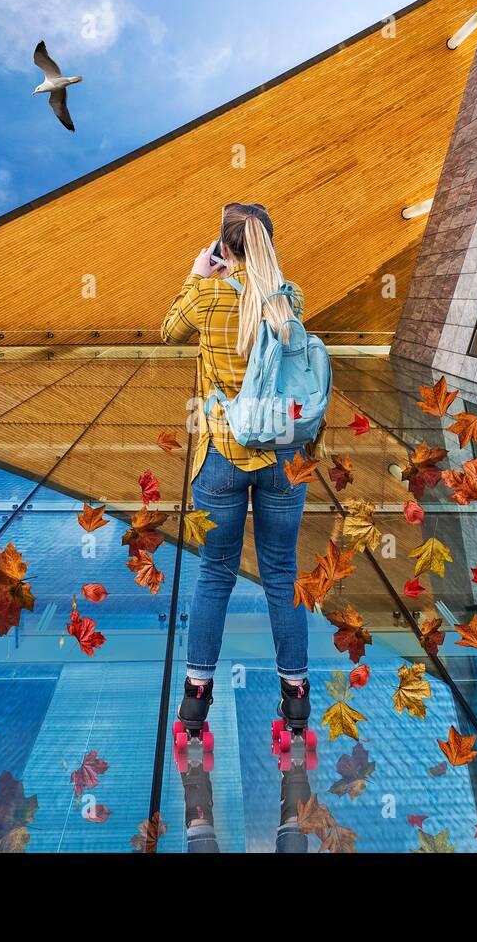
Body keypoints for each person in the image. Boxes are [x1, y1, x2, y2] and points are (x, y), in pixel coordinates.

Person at [160, 202, 316, 757]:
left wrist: (197, 274)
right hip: (281, 456)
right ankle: (295, 699)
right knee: (281, 572)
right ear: (268, 245)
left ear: (224, 248)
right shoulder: (289, 301)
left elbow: (168, 332)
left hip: (221, 457)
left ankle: (195, 701)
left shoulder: (206, 297)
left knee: (214, 577)